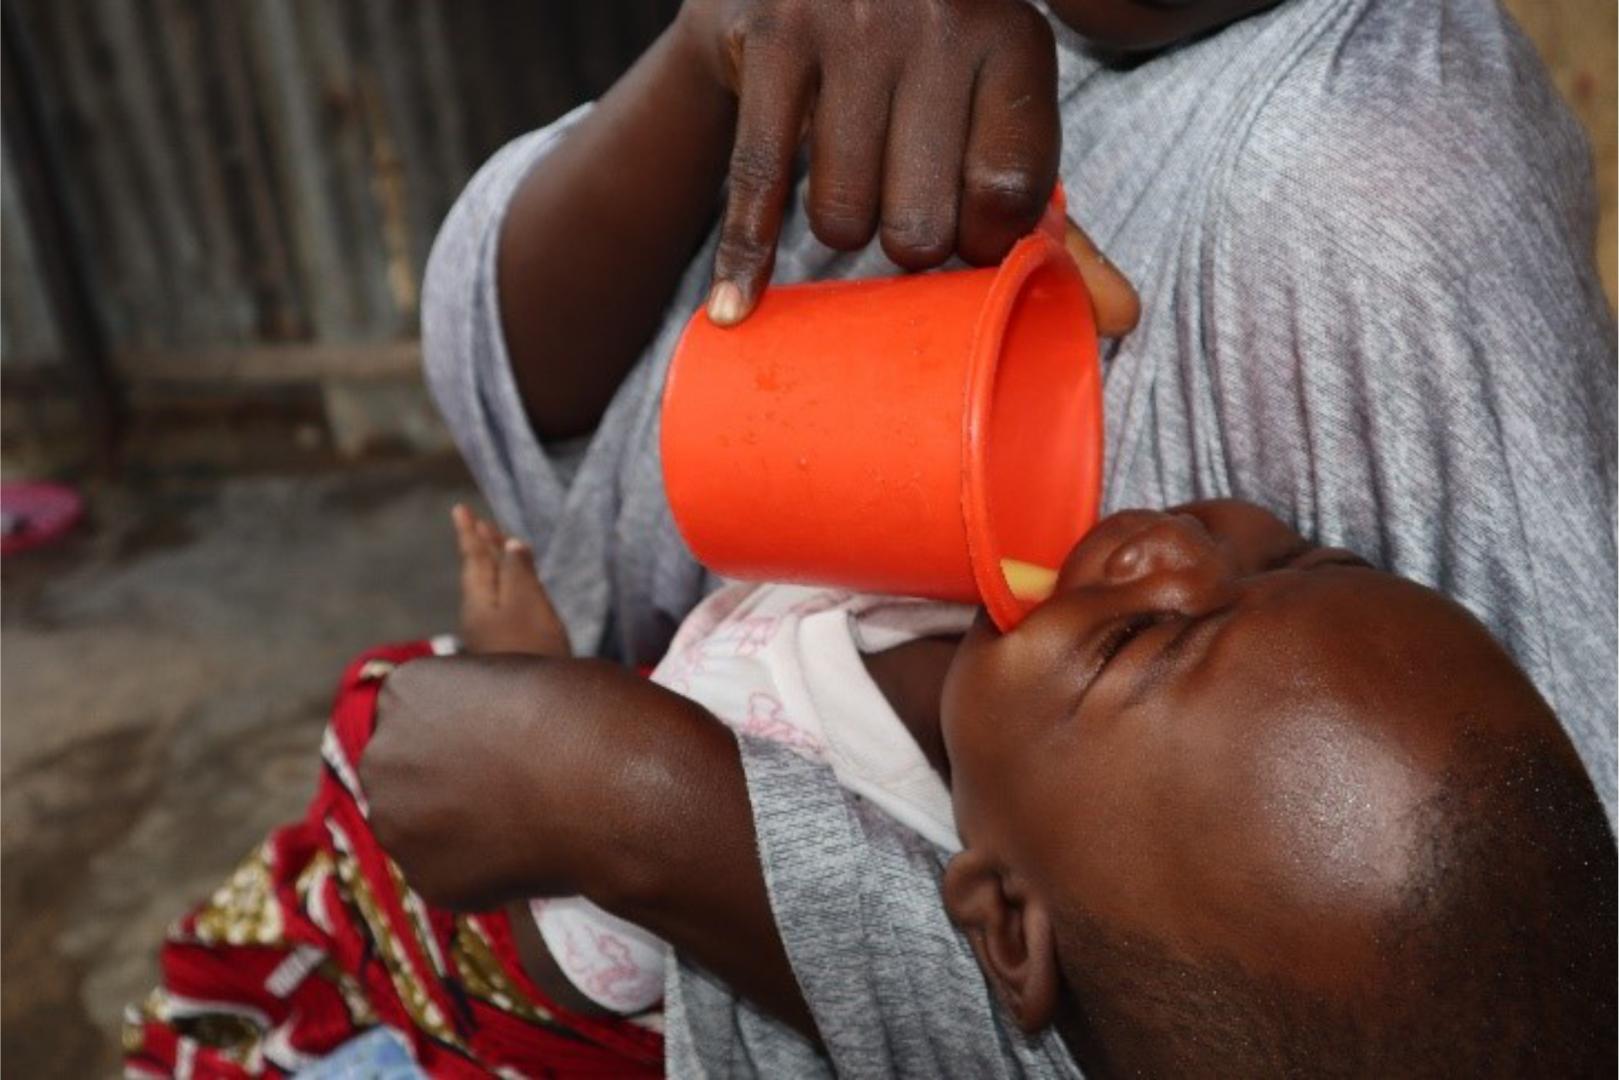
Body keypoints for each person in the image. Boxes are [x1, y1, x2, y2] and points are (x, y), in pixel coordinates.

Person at [362, 498, 1617, 1076]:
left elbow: (520, 915)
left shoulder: (825, 858)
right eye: (1297, 556)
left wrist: (526, 676)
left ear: (1003, 924)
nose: (1176, 544)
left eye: (1133, 643)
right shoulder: (1009, 687)